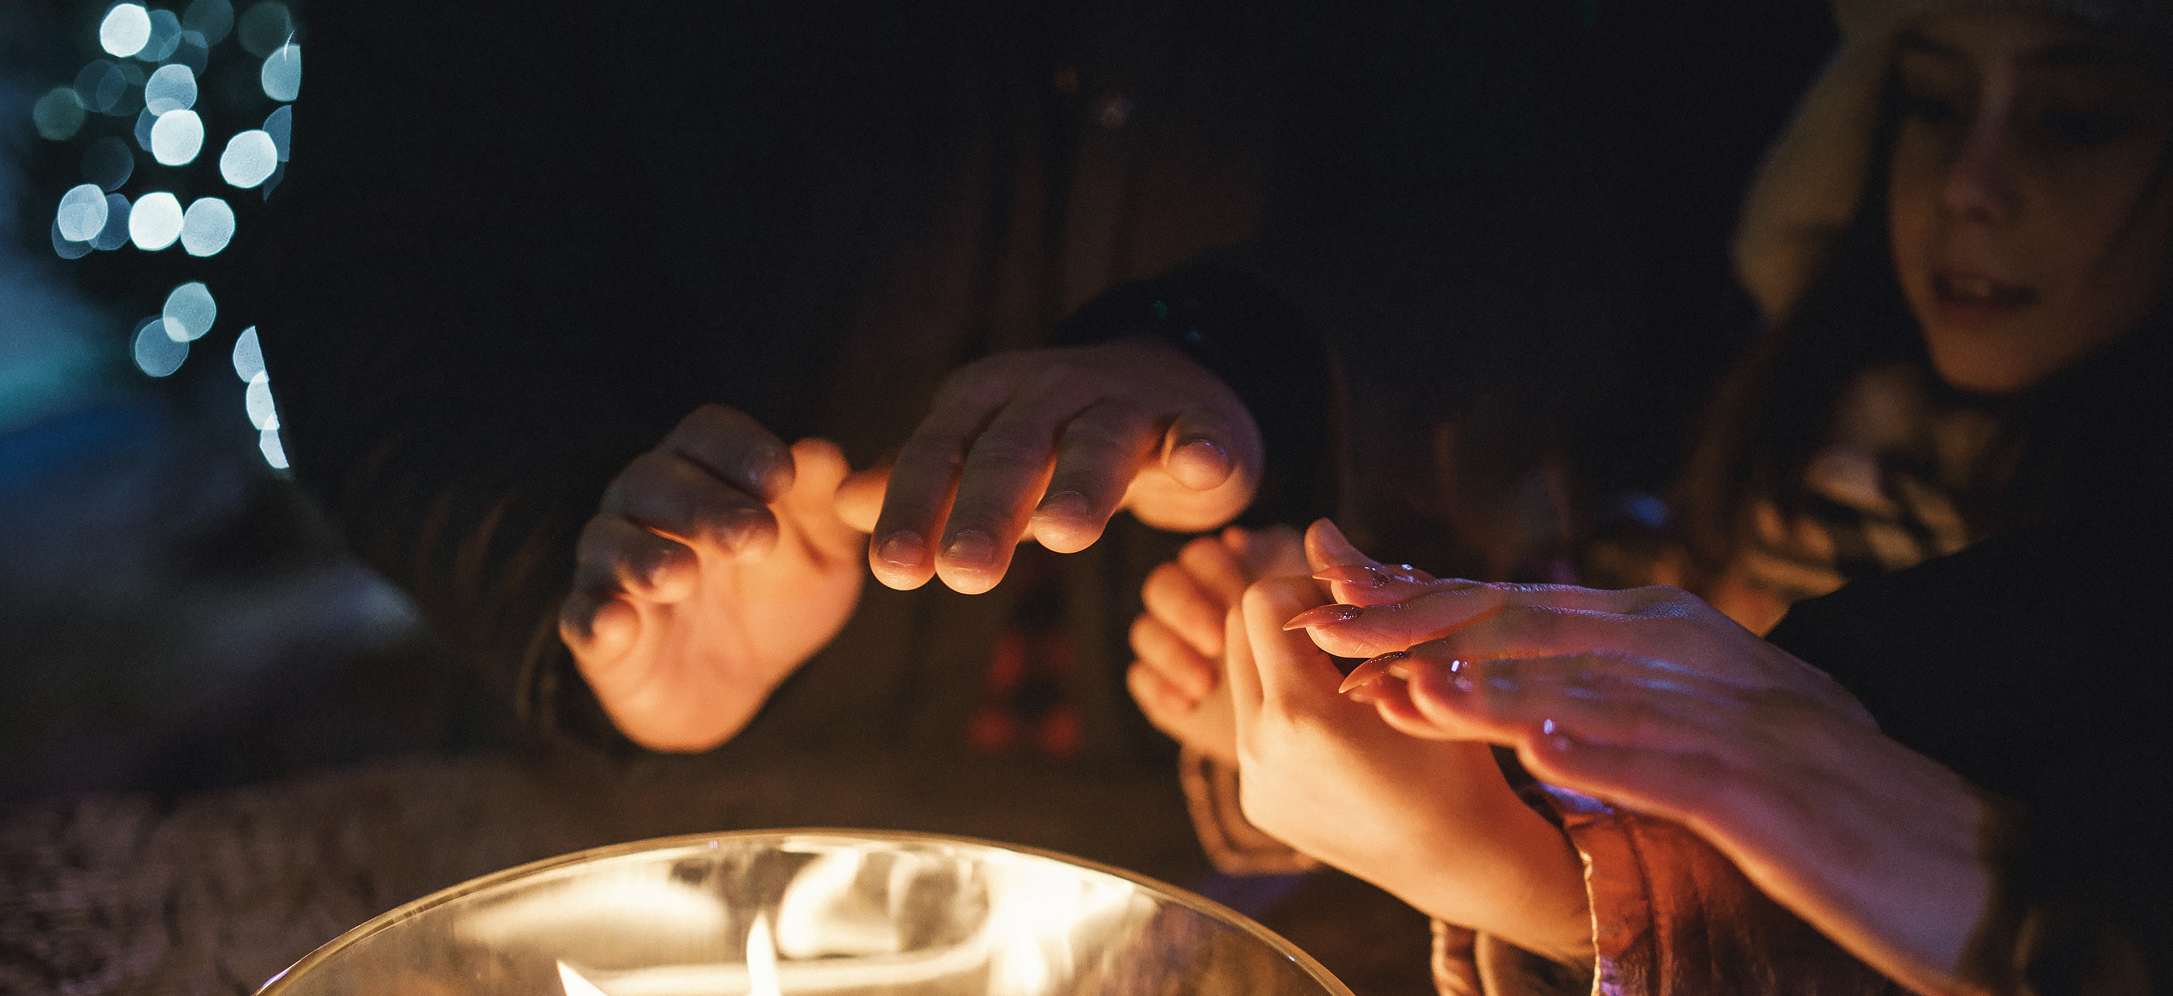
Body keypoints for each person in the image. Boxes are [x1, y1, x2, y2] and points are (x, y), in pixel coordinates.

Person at [1149, 0, 2173, 996]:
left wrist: (1531, 883)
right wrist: (1327, 720)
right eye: (1929, 105)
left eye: (2074, 123)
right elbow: (1661, 692)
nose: (1970, 187)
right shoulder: (1781, 445)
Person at [257, 2, 1644, 769]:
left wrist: (1236, 353)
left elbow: (1580, 195)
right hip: (642, 805)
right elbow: (379, 285)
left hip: (1298, 799)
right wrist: (584, 567)